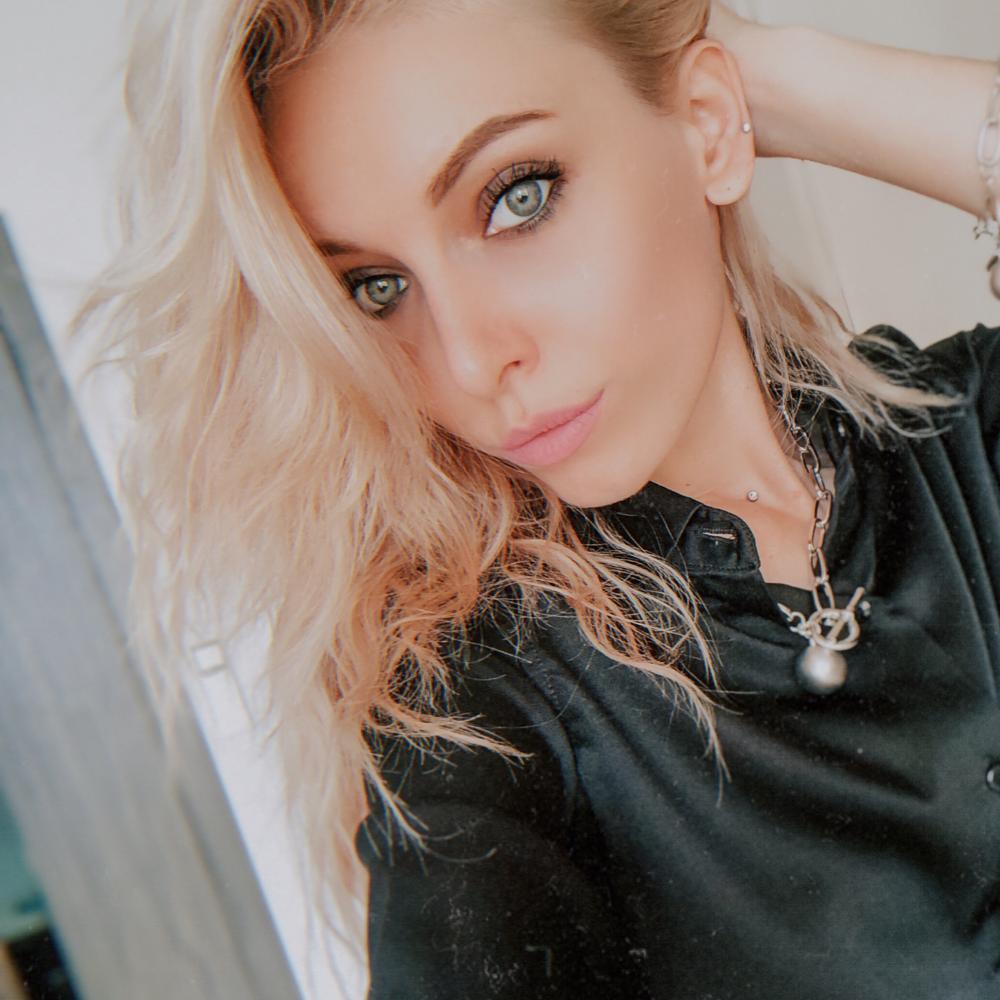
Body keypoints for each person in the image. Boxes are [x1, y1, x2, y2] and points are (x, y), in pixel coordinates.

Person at [88, 0, 1000, 996]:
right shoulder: (480, 714)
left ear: (706, 123)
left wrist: (770, 77)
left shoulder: (967, 435)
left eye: (515, 197)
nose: (470, 360)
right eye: (378, 288)